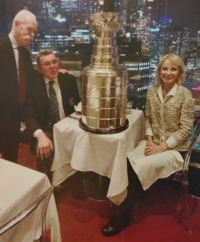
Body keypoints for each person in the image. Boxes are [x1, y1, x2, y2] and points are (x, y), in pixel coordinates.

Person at [102, 53, 194, 236]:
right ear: (159, 72)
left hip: (175, 150)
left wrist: (162, 147)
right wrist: (150, 142)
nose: (168, 72)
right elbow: (149, 119)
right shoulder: (152, 91)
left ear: (179, 73)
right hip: (154, 143)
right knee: (126, 160)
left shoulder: (185, 94)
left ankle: (124, 214)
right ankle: (133, 196)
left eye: (173, 69)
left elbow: (186, 130)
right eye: (165, 68)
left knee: (139, 166)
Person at [24, 49, 81, 180]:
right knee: (43, 147)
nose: (52, 66)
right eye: (47, 64)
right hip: (47, 128)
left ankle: (75, 178)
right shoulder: (32, 85)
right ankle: (47, 187)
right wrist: (40, 136)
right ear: (39, 68)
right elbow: (29, 115)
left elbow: (78, 105)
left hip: (69, 126)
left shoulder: (68, 79)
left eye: (54, 62)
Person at [0, 10, 38, 162]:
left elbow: (31, 79)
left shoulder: (25, 54)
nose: (32, 35)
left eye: (34, 31)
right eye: (29, 29)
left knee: (10, 161)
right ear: (16, 24)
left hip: (15, 118)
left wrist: (55, 73)